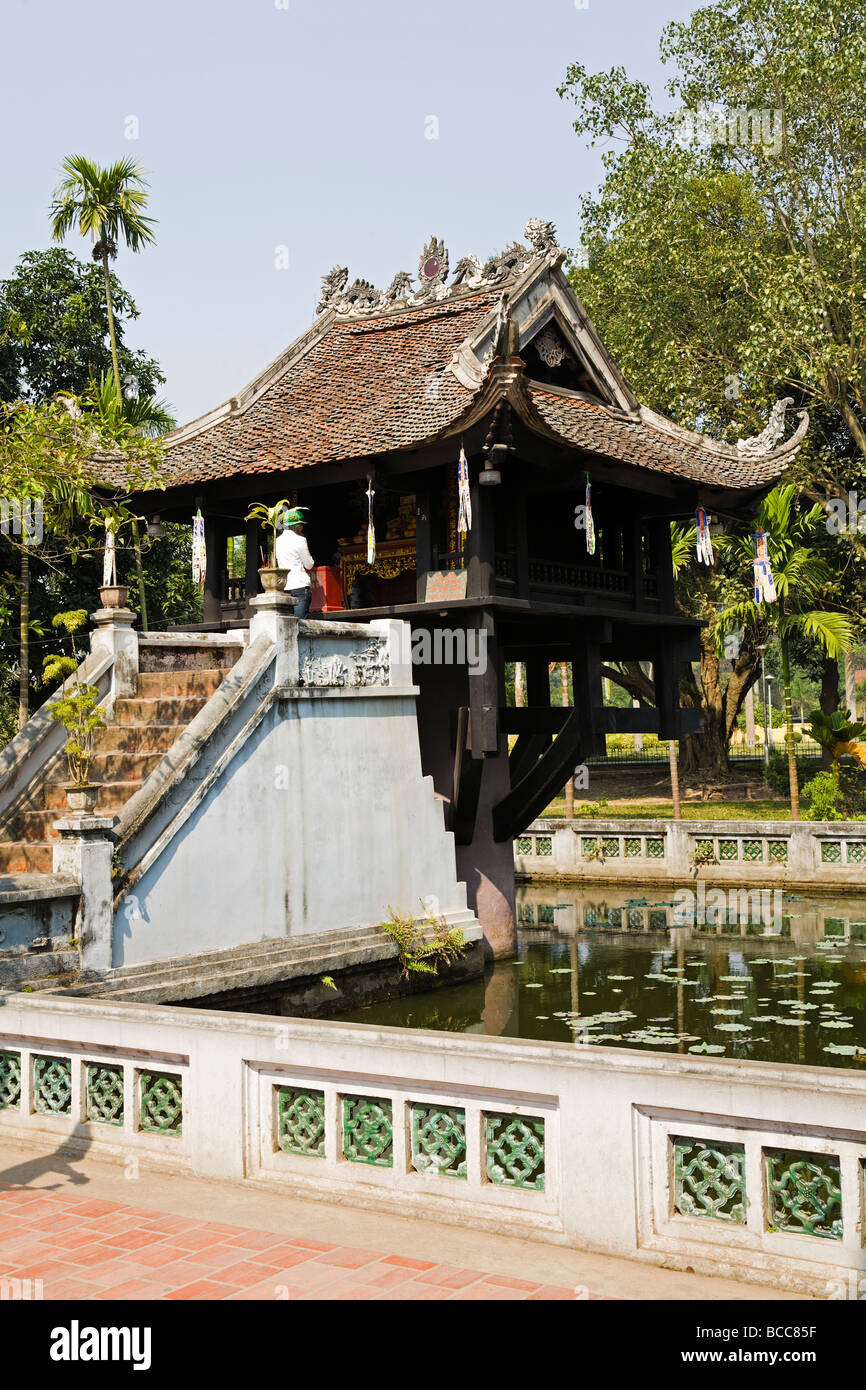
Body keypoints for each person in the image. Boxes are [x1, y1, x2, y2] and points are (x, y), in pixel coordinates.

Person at [274, 507, 315, 618]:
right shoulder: (300, 540)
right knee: (300, 623)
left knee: (287, 624)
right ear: (295, 525)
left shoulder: (277, 541)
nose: (302, 527)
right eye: (301, 524)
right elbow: (309, 565)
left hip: (285, 587)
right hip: (300, 586)